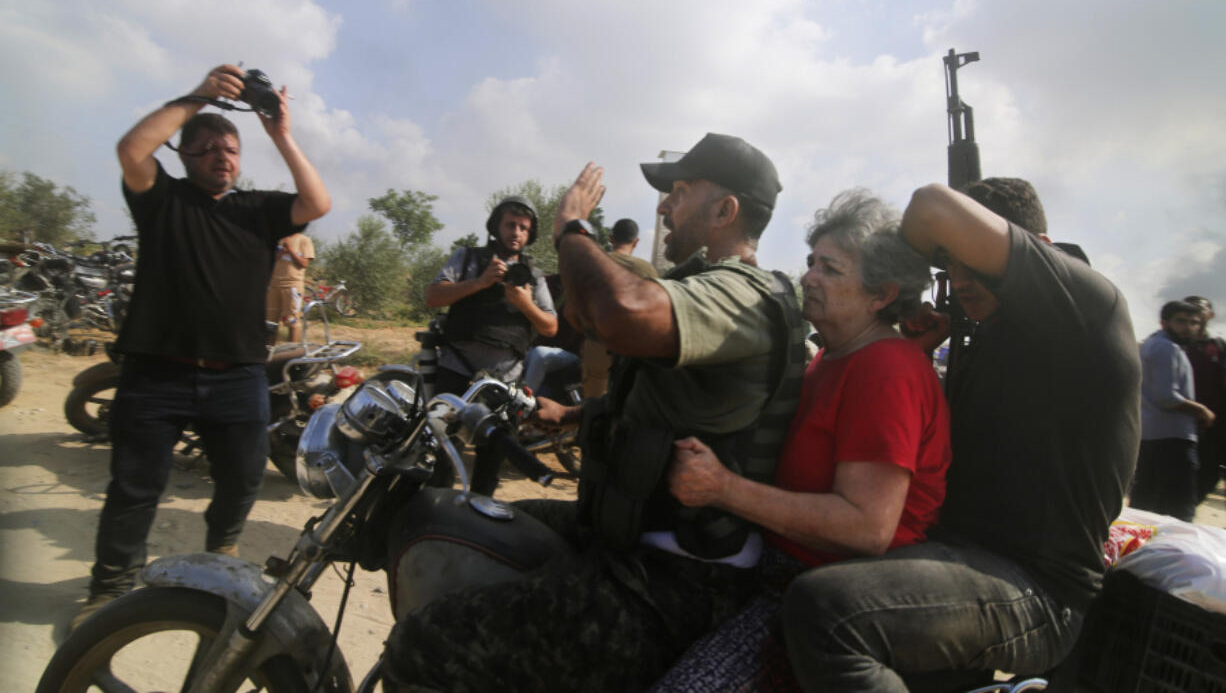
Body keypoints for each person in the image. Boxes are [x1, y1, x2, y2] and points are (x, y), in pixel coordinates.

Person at [384, 133, 806, 693]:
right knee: (454, 521)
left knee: (424, 647)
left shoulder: (744, 294)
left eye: (679, 193)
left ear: (726, 210)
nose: (663, 207)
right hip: (624, 535)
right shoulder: (699, 284)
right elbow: (660, 395)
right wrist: (574, 416)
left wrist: (572, 227)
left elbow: (621, 312)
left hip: (678, 577)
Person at [780, 177, 1141, 692]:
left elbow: (931, 205)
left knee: (830, 611)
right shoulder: (991, 333)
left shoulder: (1084, 303)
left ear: (1030, 248)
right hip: (959, 558)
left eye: (970, 262)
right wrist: (923, 351)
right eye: (948, 265)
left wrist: (880, 262)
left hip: (1036, 588)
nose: (956, 278)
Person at [650, 189, 950, 692]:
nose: (808, 276)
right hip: (769, 568)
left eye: (830, 270)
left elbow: (866, 526)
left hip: (818, 593)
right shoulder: (833, 356)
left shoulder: (885, 368)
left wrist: (722, 488)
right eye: (812, 262)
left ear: (880, 294)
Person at [74, 64, 330, 628]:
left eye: (231, 148)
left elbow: (317, 202)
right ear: (185, 155)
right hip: (155, 374)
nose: (222, 156)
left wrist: (280, 132)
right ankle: (107, 592)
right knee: (135, 489)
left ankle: (220, 561)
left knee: (241, 480)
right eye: (208, 147)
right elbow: (131, 148)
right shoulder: (162, 199)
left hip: (237, 376)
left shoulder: (257, 211)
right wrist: (200, 96)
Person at [424, 195, 558, 494]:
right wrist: (480, 283)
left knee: (490, 461)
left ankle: (478, 518)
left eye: (524, 227)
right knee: (442, 456)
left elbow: (550, 326)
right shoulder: (468, 259)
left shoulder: (533, 276)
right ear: (496, 227)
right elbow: (433, 296)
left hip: (504, 381)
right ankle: (435, 517)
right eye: (510, 225)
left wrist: (525, 303)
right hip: (456, 371)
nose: (517, 232)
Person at [1131, 300, 1213, 521]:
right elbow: (1166, 397)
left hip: (1155, 434)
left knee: (1147, 505)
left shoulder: (1157, 344)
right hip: (1171, 436)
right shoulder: (1165, 348)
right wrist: (1201, 409)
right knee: (1179, 507)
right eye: (1181, 321)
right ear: (1164, 322)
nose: (1188, 327)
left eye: (1194, 322)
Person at [581, 216, 658, 398]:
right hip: (633, 352)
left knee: (594, 409)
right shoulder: (646, 270)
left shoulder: (592, 263)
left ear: (611, 238)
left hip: (597, 347)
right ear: (636, 242)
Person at [1183, 295, 1225, 503]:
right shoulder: (1175, 346)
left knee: (1209, 474)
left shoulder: (1218, 346)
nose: (1195, 313)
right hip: (1181, 423)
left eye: (1199, 309)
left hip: (1213, 425)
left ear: (1210, 315)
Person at [266, 231, 314, 342]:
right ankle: (269, 351)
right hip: (274, 284)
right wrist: (281, 253)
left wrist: (290, 250)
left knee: (291, 320)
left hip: (292, 285)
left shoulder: (304, 240)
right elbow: (269, 260)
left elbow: (304, 264)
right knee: (270, 321)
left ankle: (292, 352)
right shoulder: (278, 239)